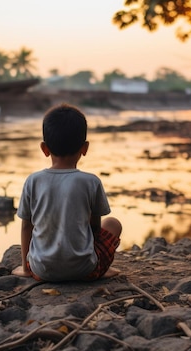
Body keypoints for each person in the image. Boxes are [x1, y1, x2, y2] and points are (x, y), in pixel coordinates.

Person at [11, 103, 122, 282]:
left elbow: (26, 226)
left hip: (41, 271)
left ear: (44, 149)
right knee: (113, 224)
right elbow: (94, 229)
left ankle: (32, 267)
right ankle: (101, 268)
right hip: (85, 271)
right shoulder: (91, 181)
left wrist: (26, 268)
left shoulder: (33, 180)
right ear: (85, 148)